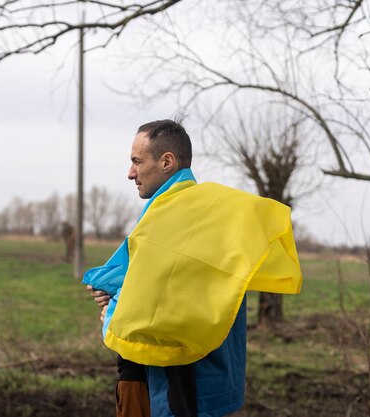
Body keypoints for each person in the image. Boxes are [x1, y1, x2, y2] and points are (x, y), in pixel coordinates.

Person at [86, 119, 248, 417]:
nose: (130, 173)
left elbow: (164, 310)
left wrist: (112, 315)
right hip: (212, 377)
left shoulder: (173, 219)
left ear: (166, 162)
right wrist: (118, 290)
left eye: (137, 161)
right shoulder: (210, 213)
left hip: (181, 383)